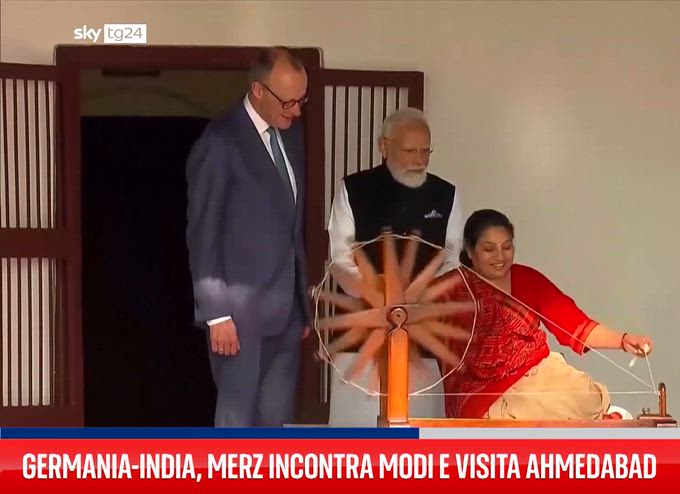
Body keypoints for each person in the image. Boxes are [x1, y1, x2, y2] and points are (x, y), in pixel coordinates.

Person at [185, 47, 312, 427]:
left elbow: (290, 226)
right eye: (288, 102)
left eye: (302, 100)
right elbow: (203, 234)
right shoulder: (220, 141)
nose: (296, 111)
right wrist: (217, 314)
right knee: (237, 422)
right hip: (237, 316)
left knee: (276, 422)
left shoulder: (291, 135)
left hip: (286, 311)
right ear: (258, 90)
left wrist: (302, 304)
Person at [441, 209, 653, 420]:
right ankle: (605, 420)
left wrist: (623, 340)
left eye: (507, 247)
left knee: (584, 396)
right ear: (470, 251)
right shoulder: (451, 287)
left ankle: (600, 418)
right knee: (514, 415)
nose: (500, 257)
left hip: (537, 374)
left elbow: (576, 325)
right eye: (489, 249)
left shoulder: (527, 279)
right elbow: (420, 317)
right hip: (483, 392)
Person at [327, 108, 463, 281]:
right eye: (409, 151)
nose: (419, 160)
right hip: (365, 295)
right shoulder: (354, 189)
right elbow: (341, 258)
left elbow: (452, 259)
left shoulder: (445, 194)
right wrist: (378, 290)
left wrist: (424, 290)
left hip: (428, 296)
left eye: (425, 151)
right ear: (384, 147)